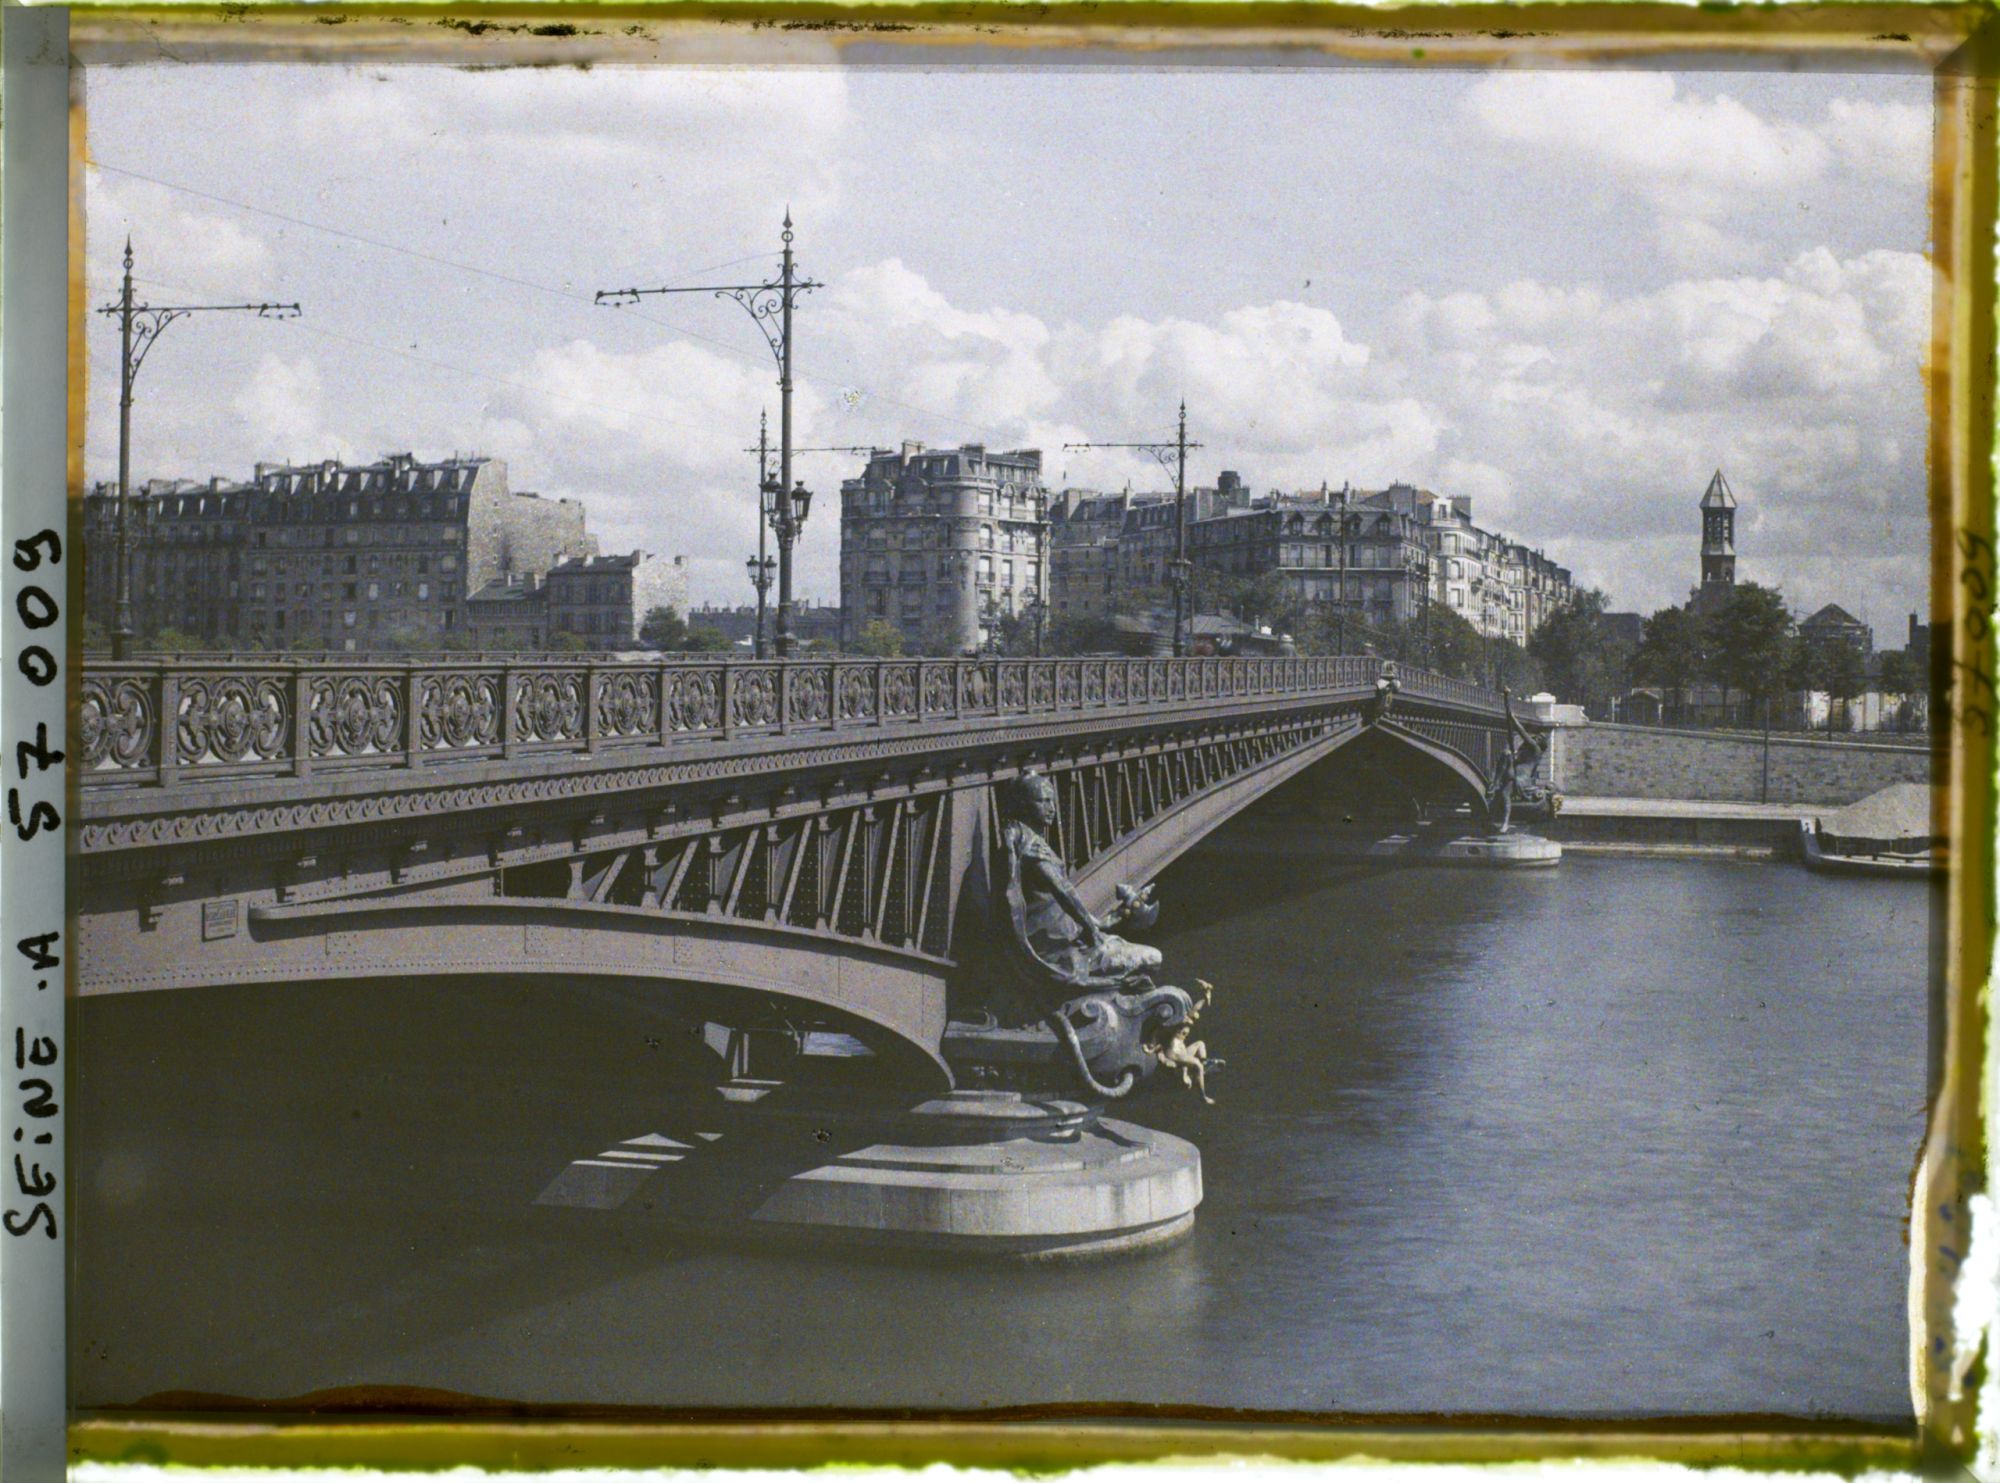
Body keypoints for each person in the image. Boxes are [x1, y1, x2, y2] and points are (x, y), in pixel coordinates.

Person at [1001, 771, 1163, 983]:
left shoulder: (1027, 840)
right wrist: (1091, 929)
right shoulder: (1032, 847)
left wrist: (1101, 922)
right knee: (1153, 957)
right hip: (1059, 950)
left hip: (1064, 937)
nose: (1052, 809)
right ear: (1023, 805)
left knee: (1134, 959)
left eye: (1053, 801)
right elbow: (1061, 891)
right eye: (1043, 801)